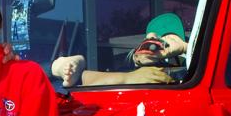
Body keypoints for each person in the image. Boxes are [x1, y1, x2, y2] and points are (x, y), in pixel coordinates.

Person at [50, 11, 188, 87]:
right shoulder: (132, 69)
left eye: (167, 39)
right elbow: (130, 61)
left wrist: (184, 47)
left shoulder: (192, 69)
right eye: (151, 43)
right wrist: (137, 59)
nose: (160, 46)